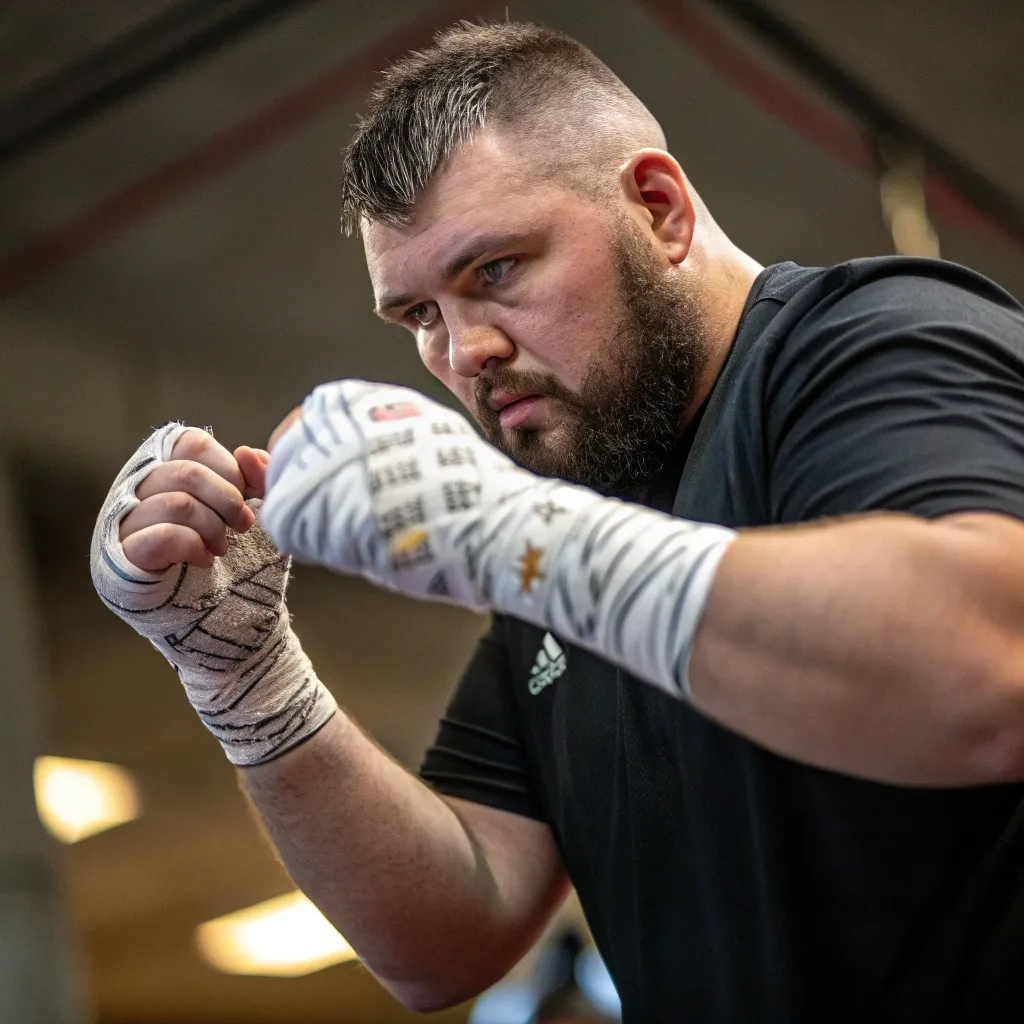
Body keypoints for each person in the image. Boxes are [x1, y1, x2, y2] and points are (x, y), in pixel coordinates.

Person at [90, 21, 1024, 1023]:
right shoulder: (563, 537)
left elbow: (990, 667)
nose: (465, 350)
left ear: (658, 210)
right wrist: (243, 674)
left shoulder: (864, 345)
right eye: (419, 316)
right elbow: (446, 940)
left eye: (495, 269)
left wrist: (510, 536)